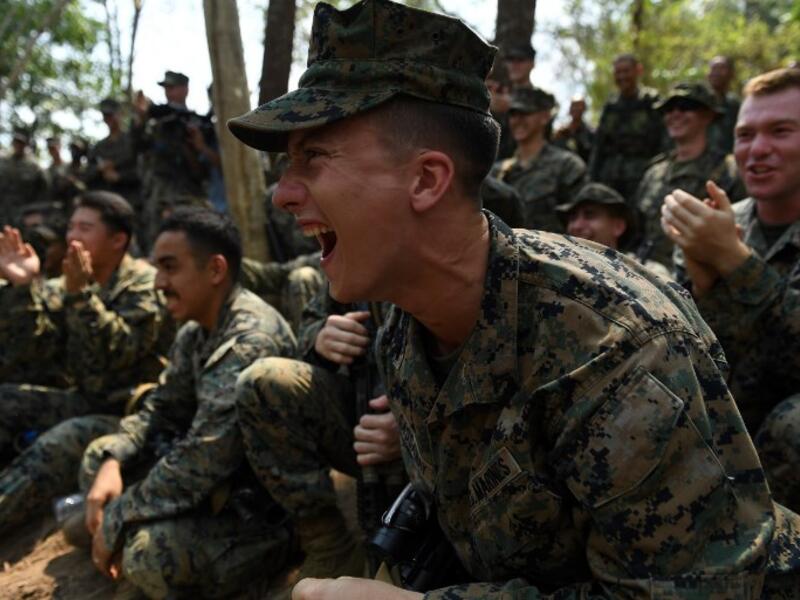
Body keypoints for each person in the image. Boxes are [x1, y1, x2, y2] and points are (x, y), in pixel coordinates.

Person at [228, 1, 800, 598]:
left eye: (313, 158)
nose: (284, 195)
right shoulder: (405, 312)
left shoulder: (617, 348)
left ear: (427, 179)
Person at [79, 207, 297, 597]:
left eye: (170, 268)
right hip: (214, 489)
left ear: (215, 270)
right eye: (157, 268)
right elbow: (161, 409)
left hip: (261, 517)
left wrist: (121, 513)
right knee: (100, 459)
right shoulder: (195, 331)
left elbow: (203, 458)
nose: (159, 283)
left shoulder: (249, 340)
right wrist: (115, 459)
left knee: (147, 555)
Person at [661, 68, 800, 512]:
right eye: (745, 135)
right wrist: (703, 278)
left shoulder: (722, 235)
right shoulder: (720, 220)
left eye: (781, 131)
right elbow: (696, 357)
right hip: (737, 405)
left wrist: (735, 262)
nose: (757, 151)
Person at [236, 286, 404, 590]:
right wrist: (319, 339)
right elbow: (313, 317)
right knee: (263, 383)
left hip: (447, 441)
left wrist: (413, 421)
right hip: (366, 429)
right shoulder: (352, 251)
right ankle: (329, 545)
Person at [0, 191, 171, 459]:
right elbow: (34, 350)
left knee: (50, 452)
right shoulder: (65, 284)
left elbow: (119, 353)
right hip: (82, 399)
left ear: (118, 240)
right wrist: (22, 287)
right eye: (71, 227)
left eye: (85, 228)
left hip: (129, 410)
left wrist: (80, 297)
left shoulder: (146, 285)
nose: (72, 236)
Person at [633, 82, 746, 267]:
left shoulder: (729, 170)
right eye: (668, 109)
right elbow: (637, 231)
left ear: (708, 115)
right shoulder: (654, 172)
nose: (675, 114)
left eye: (686, 107)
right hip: (647, 275)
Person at [132, 70, 214, 250]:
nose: (168, 92)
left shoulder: (196, 122)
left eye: (172, 87)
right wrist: (140, 118)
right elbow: (137, 146)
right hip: (158, 192)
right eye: (165, 88)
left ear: (185, 89)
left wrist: (193, 145)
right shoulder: (157, 121)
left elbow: (204, 169)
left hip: (188, 193)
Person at [491, 87, 587, 232]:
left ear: (545, 117)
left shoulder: (567, 166)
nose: (517, 120)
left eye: (525, 113)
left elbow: (580, 222)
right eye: (513, 114)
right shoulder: (497, 171)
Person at [589, 54, 666, 201]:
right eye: (618, 72)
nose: (622, 76)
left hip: (642, 179)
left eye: (626, 71)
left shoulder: (652, 101)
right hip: (609, 179)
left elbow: (664, 142)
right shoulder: (610, 106)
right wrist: (592, 179)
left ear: (638, 71)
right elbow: (598, 147)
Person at [556, 182, 671, 280]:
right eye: (572, 218)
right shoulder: (555, 265)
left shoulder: (650, 273)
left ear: (618, 227)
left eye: (590, 215)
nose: (577, 225)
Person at [0, 129, 49, 227]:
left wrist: (36, 212)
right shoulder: (2, 162)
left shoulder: (34, 167)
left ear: (26, 145)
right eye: (16, 142)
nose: (18, 145)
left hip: (22, 215)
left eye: (21, 143)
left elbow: (44, 193)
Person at [707, 55, 741, 154]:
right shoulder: (698, 103)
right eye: (713, 68)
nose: (716, 72)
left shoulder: (735, 105)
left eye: (721, 68)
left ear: (731, 73)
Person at [553, 95, 595, 162]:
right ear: (570, 109)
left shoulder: (590, 133)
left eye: (579, 106)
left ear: (584, 109)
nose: (576, 109)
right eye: (574, 106)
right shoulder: (561, 132)